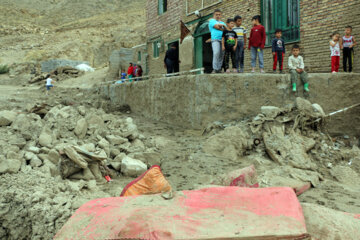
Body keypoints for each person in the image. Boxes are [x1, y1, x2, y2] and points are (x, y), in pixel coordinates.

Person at [209, 9, 226, 73]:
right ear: (214, 15)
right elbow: (216, 27)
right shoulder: (212, 21)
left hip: (222, 40)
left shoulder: (223, 23)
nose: (218, 16)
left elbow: (226, 30)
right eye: (216, 14)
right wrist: (222, 28)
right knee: (216, 53)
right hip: (215, 39)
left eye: (219, 14)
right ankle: (215, 69)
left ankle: (219, 69)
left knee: (221, 55)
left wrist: (223, 26)